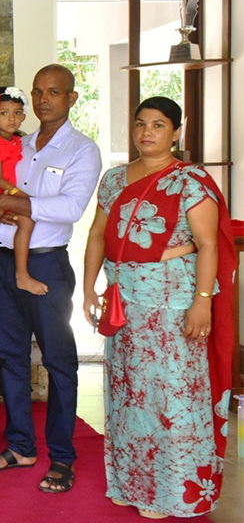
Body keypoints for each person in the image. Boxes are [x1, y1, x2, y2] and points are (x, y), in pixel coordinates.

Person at [82, 96, 234, 519]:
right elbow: (97, 235)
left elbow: (206, 245)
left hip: (173, 302)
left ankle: (175, 493)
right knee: (129, 394)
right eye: (140, 124)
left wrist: (202, 303)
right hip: (125, 301)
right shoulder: (114, 179)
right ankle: (131, 483)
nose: (147, 132)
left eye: (159, 125)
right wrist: (89, 287)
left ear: (176, 132)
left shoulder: (190, 180)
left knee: (172, 399)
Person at [0, 64, 101, 494]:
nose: (43, 99)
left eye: (54, 92)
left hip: (46, 265)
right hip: (3, 262)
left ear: (71, 98)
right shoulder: (16, 144)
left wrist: (10, 203)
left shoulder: (82, 150)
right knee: (11, 358)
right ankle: (20, 446)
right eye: (37, 92)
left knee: (58, 362)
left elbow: (69, 208)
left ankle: (62, 457)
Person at [0, 87, 47, 295]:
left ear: (24, 116)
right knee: (26, 220)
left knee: (25, 220)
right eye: (4, 113)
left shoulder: (17, 140)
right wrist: (20, 196)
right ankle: (22, 274)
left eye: (17, 113)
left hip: (4, 193)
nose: (11, 119)